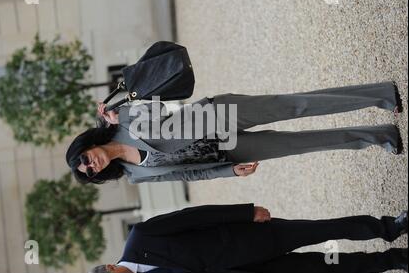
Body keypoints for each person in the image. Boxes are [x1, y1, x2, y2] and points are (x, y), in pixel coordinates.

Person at [66, 82, 404, 184]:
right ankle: (382, 136)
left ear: (85, 145)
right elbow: (191, 174)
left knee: (296, 106)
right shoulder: (136, 175)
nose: (91, 163)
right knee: (303, 144)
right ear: (98, 175)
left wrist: (121, 106)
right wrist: (228, 170)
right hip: (227, 152)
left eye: (84, 158)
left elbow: (158, 103)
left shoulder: (120, 120)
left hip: (216, 115)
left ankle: (381, 95)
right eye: (89, 170)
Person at [87, 204, 408, 273]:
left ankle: (388, 228)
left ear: (111, 268)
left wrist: (245, 212)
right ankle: (395, 261)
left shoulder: (140, 236)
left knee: (322, 230)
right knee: (326, 269)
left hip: (249, 238)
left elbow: (194, 217)